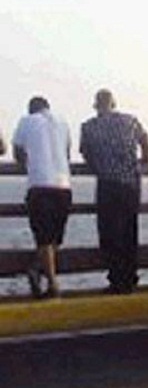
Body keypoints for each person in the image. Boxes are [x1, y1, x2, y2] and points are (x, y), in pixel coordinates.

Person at [79, 89, 148, 294]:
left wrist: (97, 166)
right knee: (129, 230)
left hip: (108, 184)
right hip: (131, 183)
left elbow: (86, 152)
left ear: (96, 106)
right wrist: (143, 162)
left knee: (110, 232)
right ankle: (130, 276)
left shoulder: (89, 126)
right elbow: (144, 139)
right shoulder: (130, 120)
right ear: (113, 103)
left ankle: (116, 278)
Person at [12, 97, 72, 298]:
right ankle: (39, 270)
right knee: (55, 238)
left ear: (31, 109)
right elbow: (67, 151)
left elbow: (18, 151)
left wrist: (26, 162)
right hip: (64, 185)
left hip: (40, 184)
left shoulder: (27, 121)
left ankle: (52, 284)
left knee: (43, 238)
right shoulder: (63, 121)